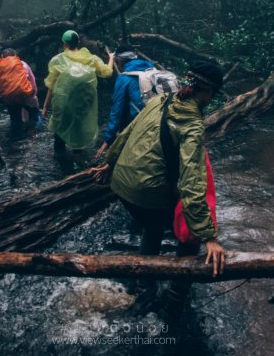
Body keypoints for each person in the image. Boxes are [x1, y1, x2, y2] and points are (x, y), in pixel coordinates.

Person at [91, 60, 227, 317]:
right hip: (145, 193)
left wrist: (109, 164)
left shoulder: (160, 100)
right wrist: (208, 235)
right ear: (209, 92)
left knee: (152, 226)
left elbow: (127, 131)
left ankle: (144, 285)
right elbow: (192, 182)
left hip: (121, 184)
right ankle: (175, 298)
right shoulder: (192, 124)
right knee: (189, 237)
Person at [41, 30, 113, 151]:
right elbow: (107, 72)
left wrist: (44, 107)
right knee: (79, 132)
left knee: (59, 133)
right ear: (78, 42)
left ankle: (61, 161)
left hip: (63, 105)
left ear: (64, 43)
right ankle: (78, 161)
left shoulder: (57, 60)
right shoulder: (91, 59)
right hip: (82, 105)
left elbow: (51, 86)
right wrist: (111, 57)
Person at [95, 49, 155, 160]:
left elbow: (117, 111)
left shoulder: (124, 78)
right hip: (158, 118)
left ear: (121, 62)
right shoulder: (152, 70)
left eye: (117, 63)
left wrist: (107, 141)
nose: (117, 66)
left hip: (140, 124)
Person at [0, 48, 41, 129]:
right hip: (26, 95)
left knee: (15, 120)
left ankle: (15, 137)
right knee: (34, 116)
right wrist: (33, 95)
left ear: (2, 57)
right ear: (15, 55)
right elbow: (32, 80)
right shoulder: (22, 64)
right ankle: (35, 132)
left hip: (10, 97)